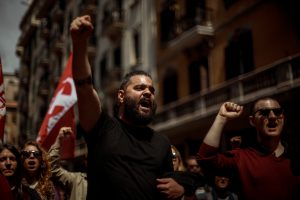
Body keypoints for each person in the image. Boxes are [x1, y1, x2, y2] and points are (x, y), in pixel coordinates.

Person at [70, 15, 184, 199]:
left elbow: (168, 190)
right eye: (139, 88)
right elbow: (84, 88)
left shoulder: (162, 143)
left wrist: (181, 191)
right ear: (121, 96)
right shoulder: (102, 129)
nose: (148, 93)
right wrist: (79, 44)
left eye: (151, 90)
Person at [197, 97, 300, 200]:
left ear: (283, 117)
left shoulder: (295, 158)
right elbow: (206, 159)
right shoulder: (241, 157)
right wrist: (222, 117)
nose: (272, 116)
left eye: (277, 112)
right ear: (252, 121)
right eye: (264, 113)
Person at [48, 126, 87, 200]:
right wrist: (58, 140)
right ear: (86, 162)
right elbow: (52, 167)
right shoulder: (77, 180)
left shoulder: (110, 181)